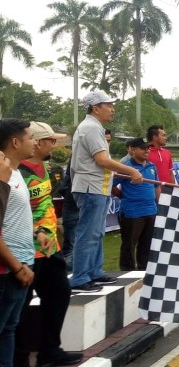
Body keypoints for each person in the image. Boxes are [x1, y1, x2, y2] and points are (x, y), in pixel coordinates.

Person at [14, 121, 82, 366]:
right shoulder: (14, 171)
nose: (54, 144)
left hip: (50, 247)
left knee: (59, 294)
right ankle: (18, 356)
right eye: (51, 140)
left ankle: (50, 350)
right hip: (23, 250)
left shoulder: (51, 169)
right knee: (19, 307)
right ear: (38, 141)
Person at [70, 90, 143, 293]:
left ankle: (94, 272)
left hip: (97, 187)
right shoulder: (91, 128)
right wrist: (130, 170)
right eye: (108, 105)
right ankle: (80, 277)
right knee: (88, 233)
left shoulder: (93, 127)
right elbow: (101, 160)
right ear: (96, 108)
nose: (112, 109)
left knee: (97, 232)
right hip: (90, 188)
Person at [0, 120, 37, 367]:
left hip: (22, 263)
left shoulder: (16, 173)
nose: (35, 142)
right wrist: (17, 267)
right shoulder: (2, 177)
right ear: (15, 142)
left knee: (9, 328)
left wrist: (36, 232)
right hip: (9, 268)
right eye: (30, 137)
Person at [112, 138, 160, 271]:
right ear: (132, 149)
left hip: (151, 211)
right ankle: (127, 274)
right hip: (132, 213)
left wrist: (159, 205)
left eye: (148, 148)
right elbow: (111, 185)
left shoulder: (151, 166)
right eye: (143, 148)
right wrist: (123, 196)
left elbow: (156, 187)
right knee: (129, 246)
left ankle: (144, 272)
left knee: (147, 245)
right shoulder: (126, 167)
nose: (147, 150)